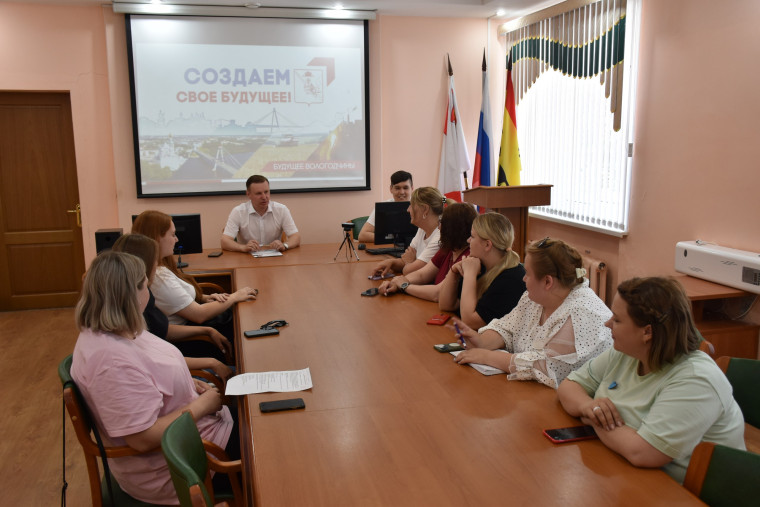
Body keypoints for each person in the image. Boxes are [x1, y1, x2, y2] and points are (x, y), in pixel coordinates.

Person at [70, 251, 237, 504]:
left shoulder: (118, 328)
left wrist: (186, 383)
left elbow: (150, 374)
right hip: (178, 466)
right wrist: (203, 405)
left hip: (195, 435)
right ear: (129, 295)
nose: (148, 293)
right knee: (276, 446)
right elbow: (143, 439)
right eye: (145, 286)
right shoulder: (111, 362)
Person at [557, 277, 745, 483]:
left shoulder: (696, 379)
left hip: (681, 490)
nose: (607, 323)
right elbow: (569, 386)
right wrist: (587, 406)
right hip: (625, 470)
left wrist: (594, 420)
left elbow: (643, 453)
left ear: (647, 332)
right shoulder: (627, 351)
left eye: (617, 320)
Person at [452, 237, 612, 388]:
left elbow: (545, 367)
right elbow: (508, 328)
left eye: (528, 273)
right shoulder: (536, 298)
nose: (523, 278)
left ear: (547, 281)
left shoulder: (581, 314)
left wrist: (486, 356)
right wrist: (481, 342)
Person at [112, 233, 232, 370]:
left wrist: (207, 330)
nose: (157, 264)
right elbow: (155, 361)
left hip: (173, 359)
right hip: (175, 362)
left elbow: (162, 329)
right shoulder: (137, 306)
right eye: (154, 260)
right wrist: (211, 363)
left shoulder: (137, 300)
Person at [132, 210, 258, 339]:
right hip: (192, 333)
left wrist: (203, 297)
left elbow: (177, 298)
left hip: (194, 321)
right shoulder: (158, 278)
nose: (176, 239)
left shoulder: (160, 267)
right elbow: (199, 315)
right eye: (173, 234)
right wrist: (235, 296)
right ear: (157, 238)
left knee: (243, 313)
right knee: (246, 318)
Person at [438, 213, 526, 329]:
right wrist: (453, 272)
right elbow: (446, 305)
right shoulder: (481, 266)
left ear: (487, 245)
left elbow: (470, 321)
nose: (468, 240)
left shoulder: (511, 280)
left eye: (472, 236)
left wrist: (470, 274)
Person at [378, 201, 477, 302]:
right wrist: (395, 283)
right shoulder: (447, 249)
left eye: (442, 223)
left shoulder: (468, 257)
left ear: (454, 229)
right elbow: (422, 275)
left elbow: (438, 293)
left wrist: (404, 285)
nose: (439, 227)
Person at [371, 186, 445, 277]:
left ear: (425, 209)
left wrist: (409, 262)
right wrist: (392, 262)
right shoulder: (422, 229)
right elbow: (406, 259)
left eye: (411, 205)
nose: (408, 209)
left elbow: (409, 271)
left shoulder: (440, 236)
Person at [221, 174, 301, 253]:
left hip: (275, 256)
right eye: (258, 193)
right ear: (248, 194)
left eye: (266, 192)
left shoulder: (281, 210)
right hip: (247, 257)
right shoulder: (238, 212)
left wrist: (285, 245)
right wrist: (243, 247)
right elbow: (225, 241)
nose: (264, 197)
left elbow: (296, 237)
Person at [358, 170, 414, 243]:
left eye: (405, 188)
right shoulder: (384, 207)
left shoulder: (420, 206)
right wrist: (394, 240)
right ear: (391, 189)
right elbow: (363, 235)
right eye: (397, 188)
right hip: (391, 247)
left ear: (412, 188)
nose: (402, 192)